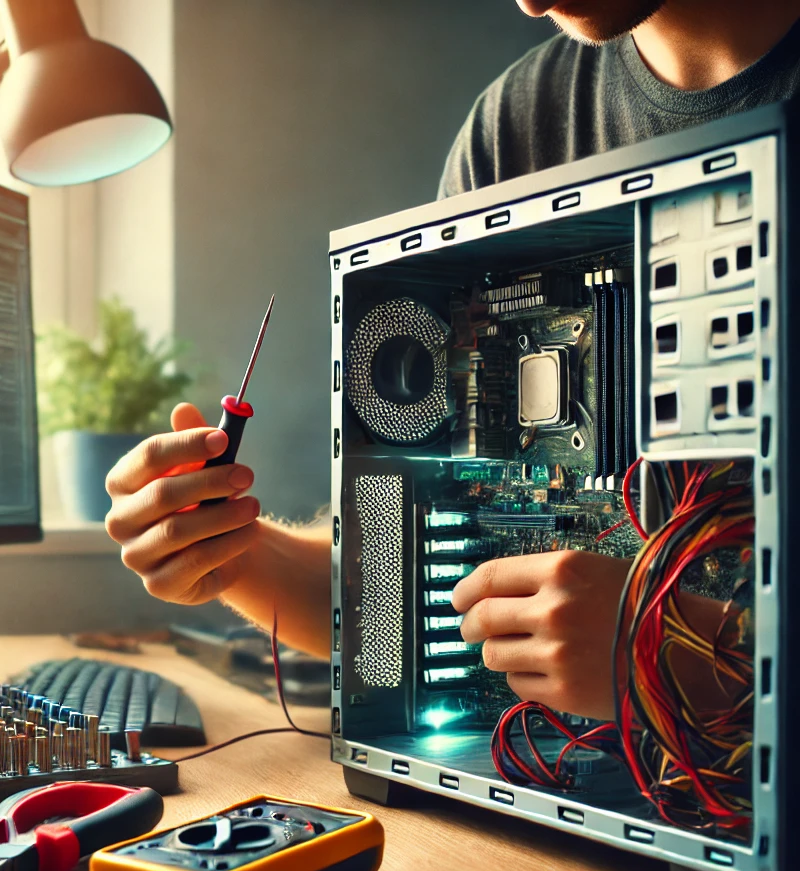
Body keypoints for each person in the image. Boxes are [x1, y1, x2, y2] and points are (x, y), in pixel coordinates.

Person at [104, 0, 800, 722]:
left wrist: (678, 653)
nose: (529, 3)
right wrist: (235, 554)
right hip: (558, 808)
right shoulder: (519, 126)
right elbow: (403, 610)